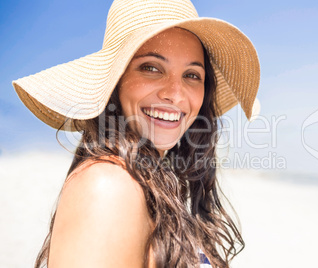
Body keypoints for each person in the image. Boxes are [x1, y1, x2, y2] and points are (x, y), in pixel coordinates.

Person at [12, 0, 260, 267]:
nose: (175, 94)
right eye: (151, 68)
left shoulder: (151, 180)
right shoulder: (108, 185)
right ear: (115, 82)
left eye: (191, 75)